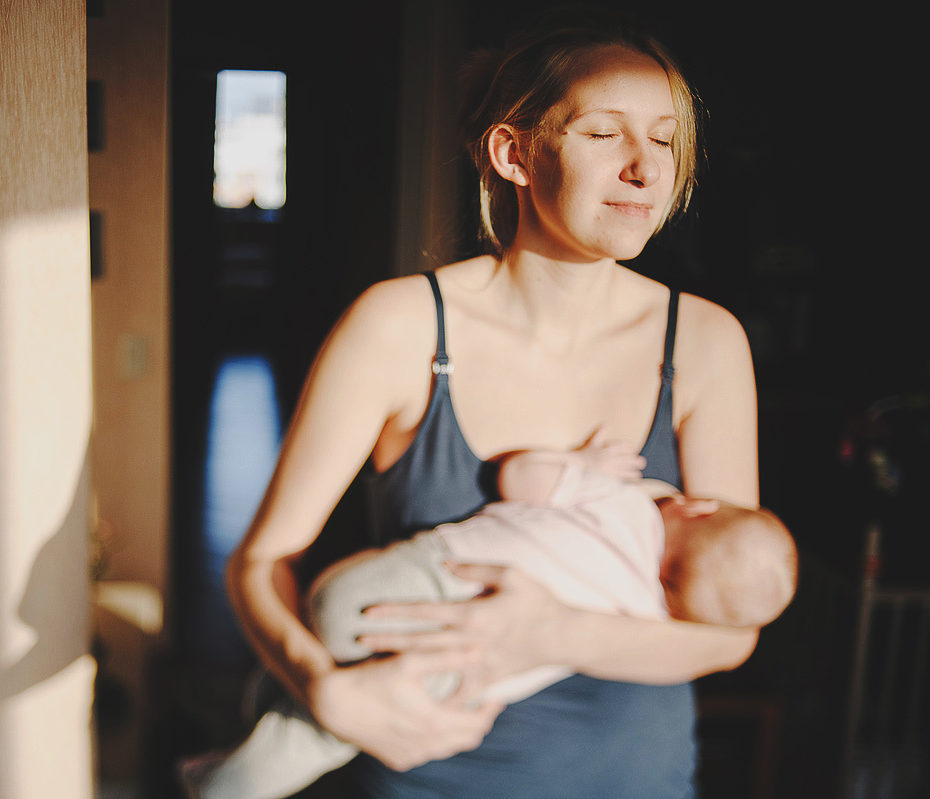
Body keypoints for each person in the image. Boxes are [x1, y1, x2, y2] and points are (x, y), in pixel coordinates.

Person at [226, 8, 779, 797]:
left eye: (663, 139)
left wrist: (552, 632)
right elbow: (260, 562)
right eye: (604, 133)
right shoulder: (400, 326)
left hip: (634, 781)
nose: (646, 169)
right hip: (427, 780)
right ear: (512, 151)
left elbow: (728, 632)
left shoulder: (705, 343)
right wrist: (321, 686)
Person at [185, 439, 797, 799]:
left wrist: (579, 463)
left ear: (695, 507)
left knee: (305, 692)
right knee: (311, 741)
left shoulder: (621, 502)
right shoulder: (648, 616)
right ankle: (217, 786)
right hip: (432, 654)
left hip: (380, 584)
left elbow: (517, 475)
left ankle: (257, 710)